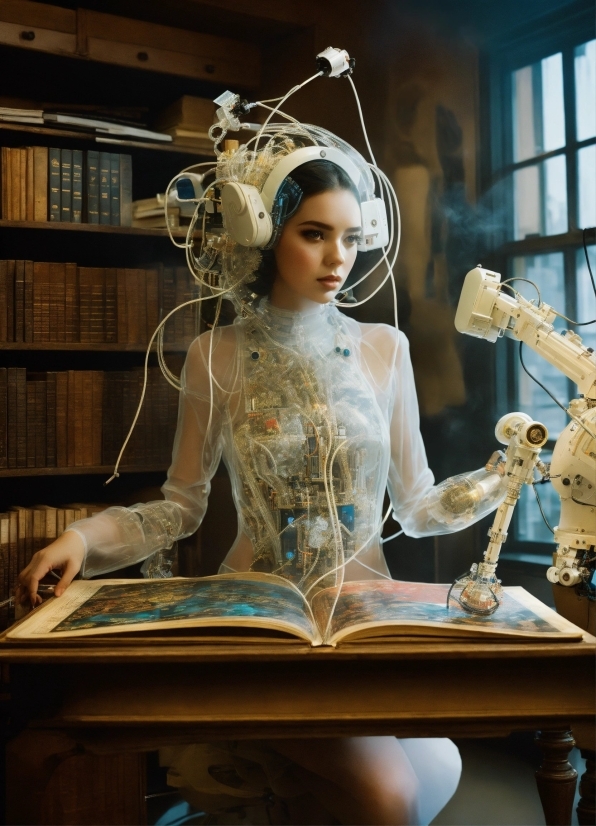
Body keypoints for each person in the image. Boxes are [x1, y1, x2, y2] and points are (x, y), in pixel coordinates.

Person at [16, 144, 504, 824]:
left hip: (362, 628)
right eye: (314, 234)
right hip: (262, 624)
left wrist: (500, 479)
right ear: (266, 234)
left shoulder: (385, 347)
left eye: (351, 238)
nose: (339, 258)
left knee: (436, 771)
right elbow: (180, 508)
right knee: (387, 799)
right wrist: (80, 537)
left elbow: (418, 508)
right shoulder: (214, 355)